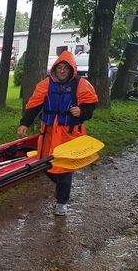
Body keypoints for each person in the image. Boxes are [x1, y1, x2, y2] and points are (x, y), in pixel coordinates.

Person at [17, 50, 98, 216]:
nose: (62, 71)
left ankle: (62, 202)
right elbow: (34, 106)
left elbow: (90, 107)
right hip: (48, 134)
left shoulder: (81, 85)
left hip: (69, 135)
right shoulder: (45, 85)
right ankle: (61, 186)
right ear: (55, 69)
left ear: (71, 70)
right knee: (45, 165)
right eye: (59, 67)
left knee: (65, 168)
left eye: (65, 68)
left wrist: (81, 112)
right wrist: (24, 123)